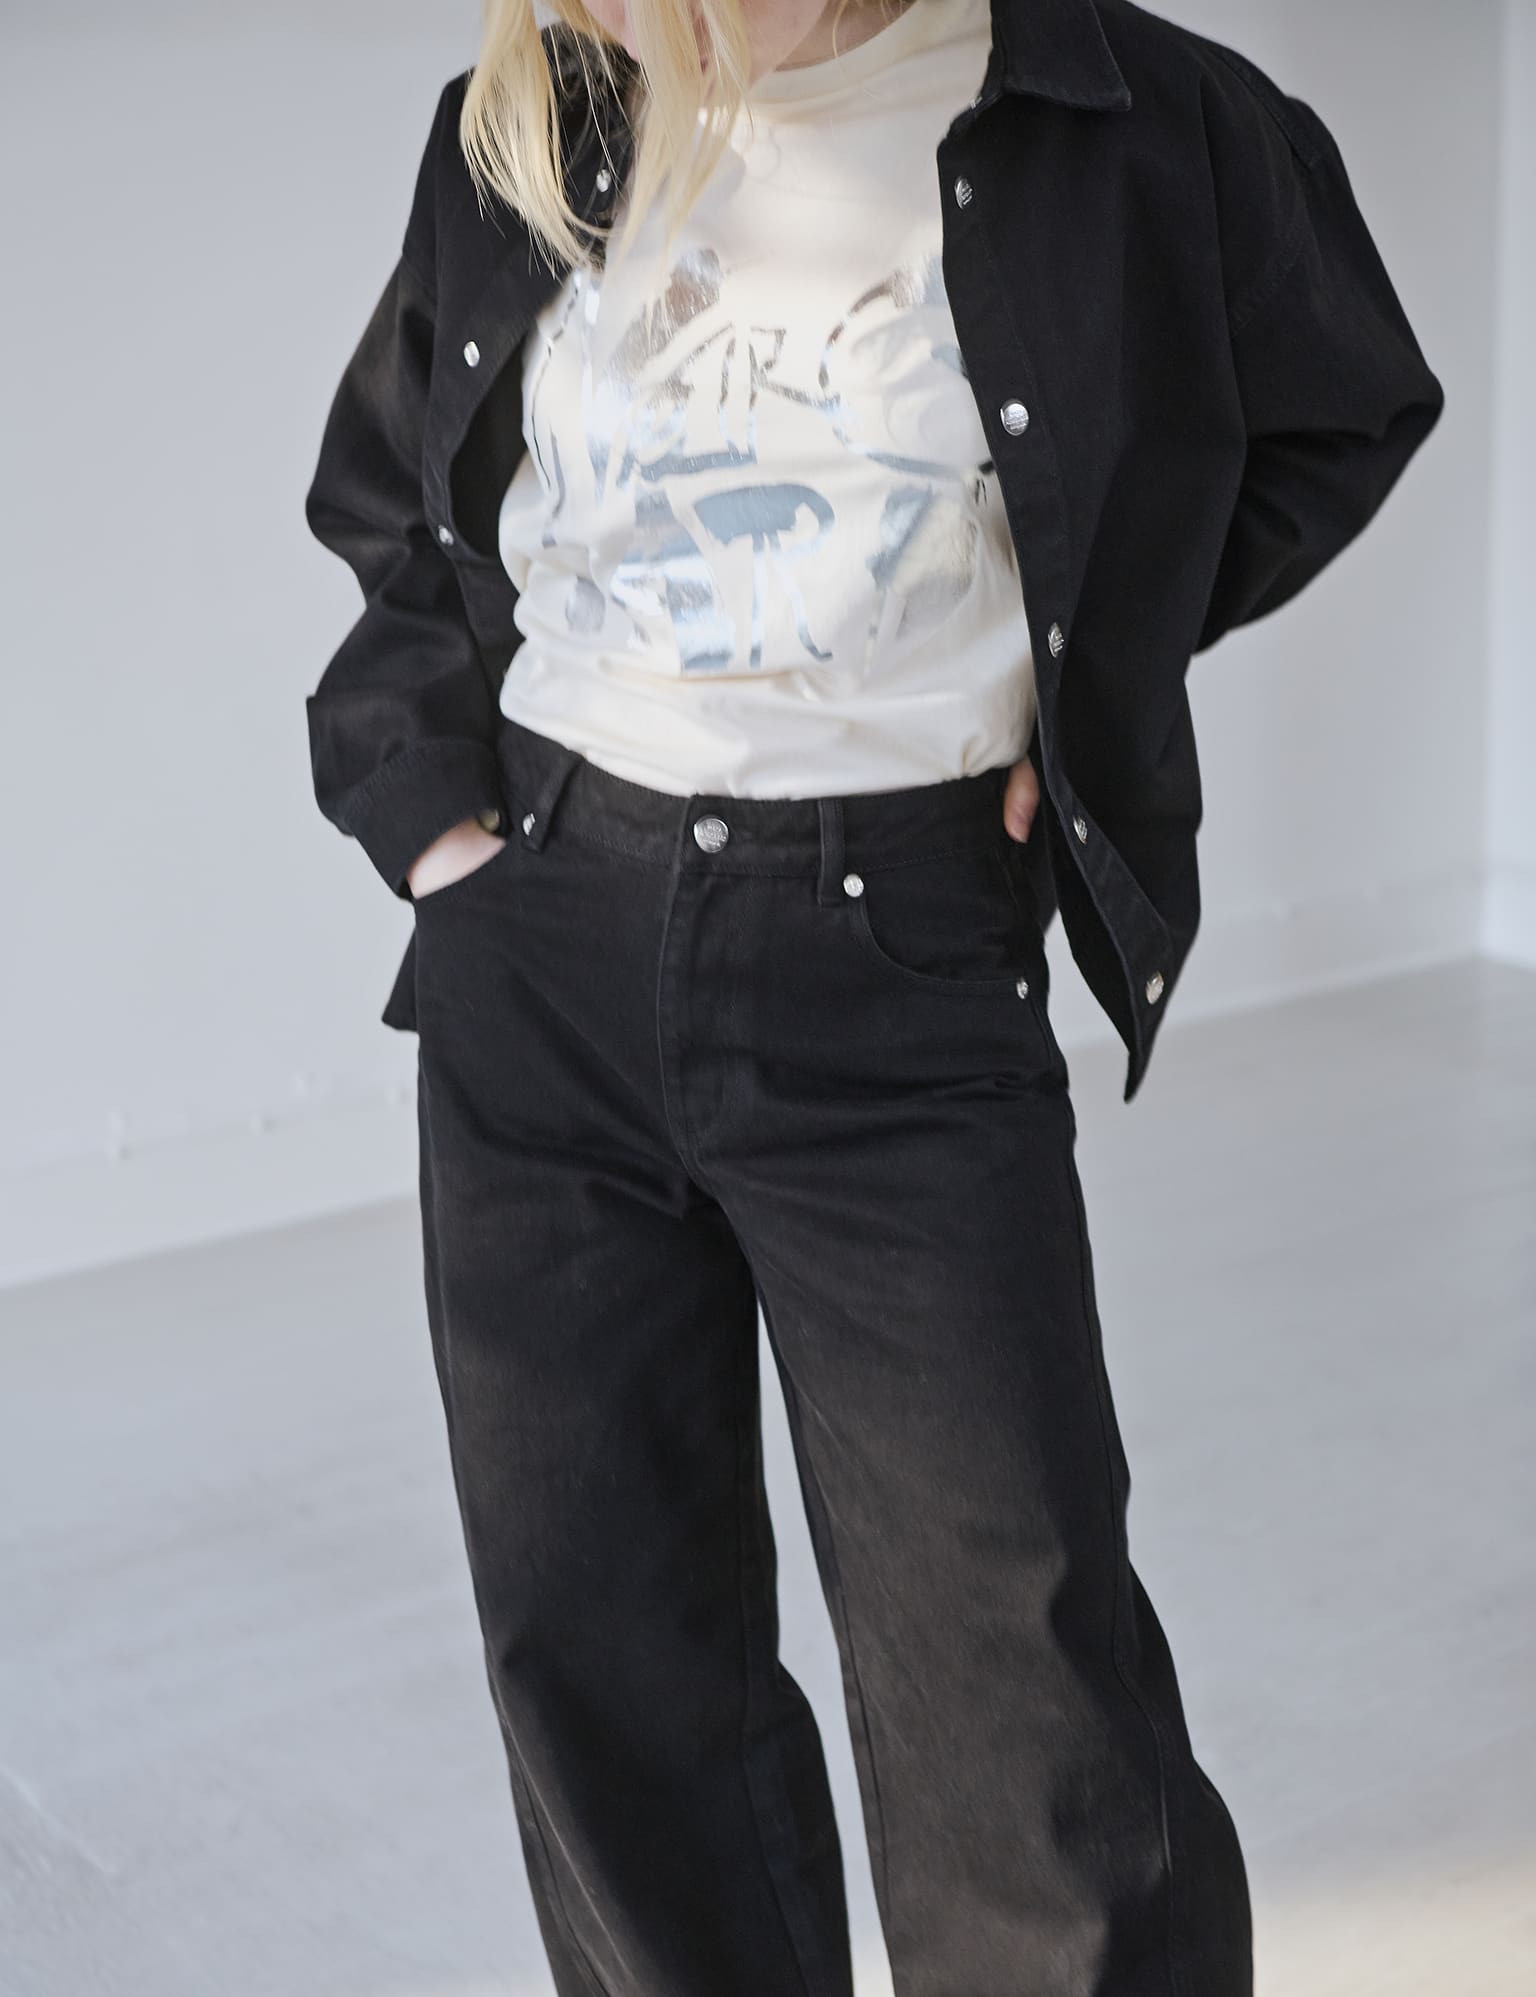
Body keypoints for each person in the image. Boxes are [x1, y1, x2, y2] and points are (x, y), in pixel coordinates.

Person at [302, 2, 1444, 1991]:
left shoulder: (1123, 112)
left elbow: (1343, 405)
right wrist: (438, 837)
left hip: (898, 946)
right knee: (604, 1664)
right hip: (543, 948)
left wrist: (1089, 668)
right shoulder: (534, 115)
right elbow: (399, 498)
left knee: (1023, 1688)